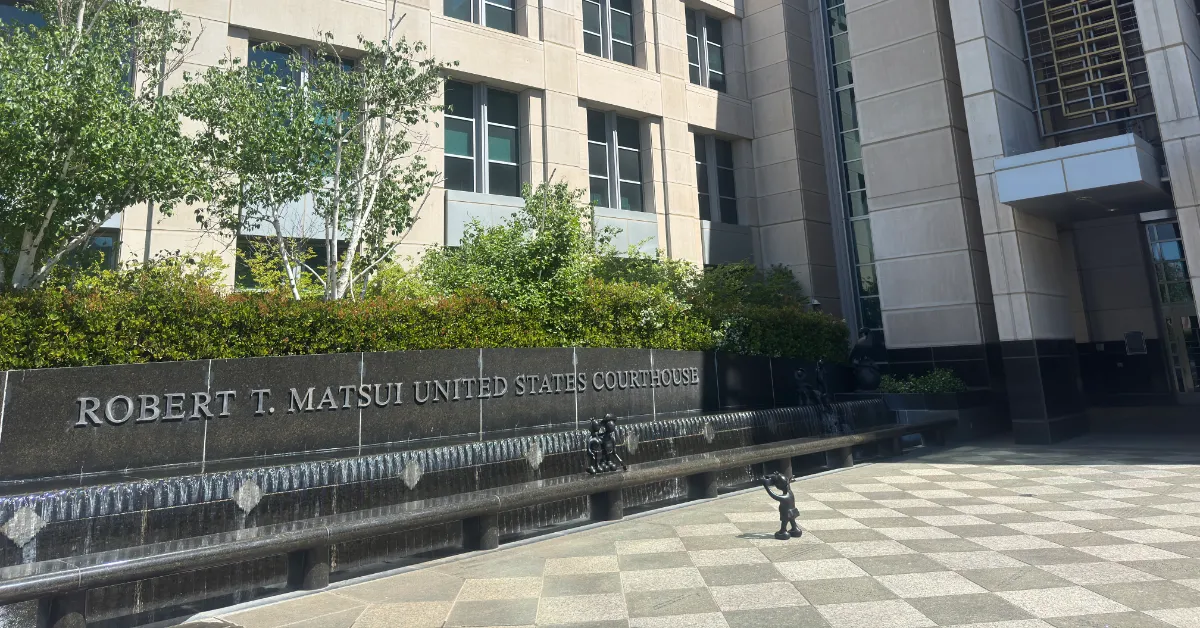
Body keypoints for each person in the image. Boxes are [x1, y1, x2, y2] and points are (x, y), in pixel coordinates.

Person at [760, 471, 802, 540]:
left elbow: (774, 496)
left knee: (784, 522)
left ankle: (783, 532)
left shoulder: (785, 497)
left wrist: (766, 486)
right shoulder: (790, 492)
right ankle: (795, 530)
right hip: (792, 511)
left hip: (786, 513)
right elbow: (786, 482)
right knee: (792, 521)